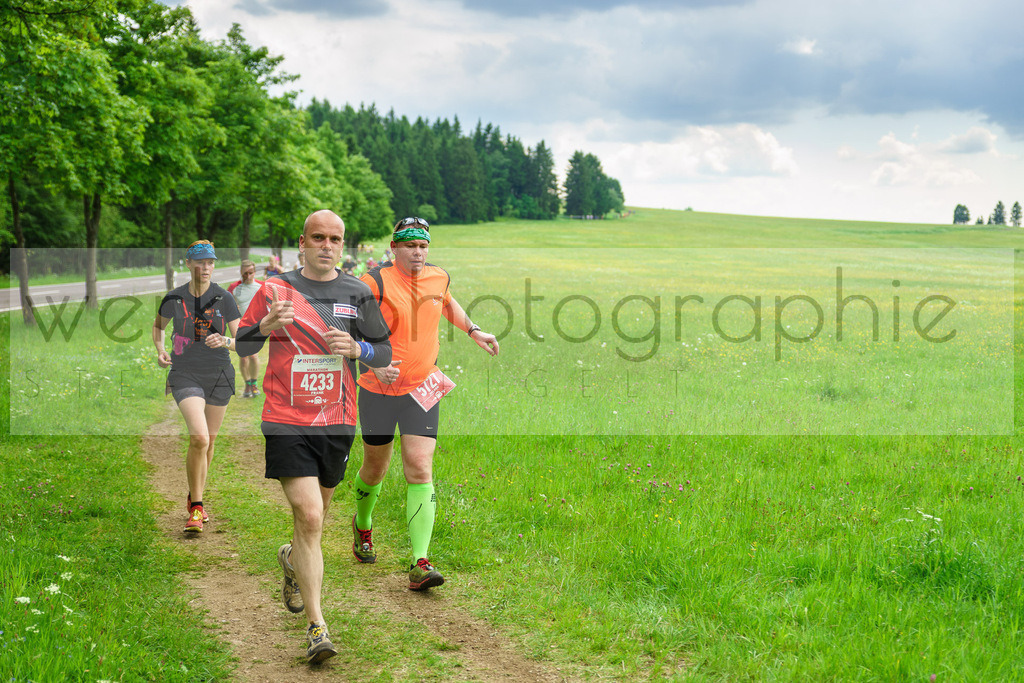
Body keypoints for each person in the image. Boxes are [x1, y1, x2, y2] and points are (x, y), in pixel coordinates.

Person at [235, 210, 392, 664]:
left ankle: (290, 558)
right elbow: (242, 345)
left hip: (337, 420)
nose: (327, 245)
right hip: (286, 418)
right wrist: (264, 327)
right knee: (308, 516)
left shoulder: (357, 292)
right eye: (318, 237)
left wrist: (358, 348)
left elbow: (382, 350)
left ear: (343, 245)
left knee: (316, 520)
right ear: (302, 242)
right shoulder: (274, 289)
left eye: (335, 238)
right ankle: (317, 626)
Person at [351, 216, 499, 591]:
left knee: (419, 466)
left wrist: (474, 330)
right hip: (377, 388)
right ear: (395, 247)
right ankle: (363, 525)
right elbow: (351, 332)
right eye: (410, 246)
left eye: (423, 246)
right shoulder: (374, 281)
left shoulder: (439, 277)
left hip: (422, 387)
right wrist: (372, 361)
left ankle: (420, 561)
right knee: (375, 468)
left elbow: (447, 302)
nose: (418, 252)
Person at [152, 240, 241, 534]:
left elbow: (243, 340)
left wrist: (225, 340)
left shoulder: (224, 298)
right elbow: (158, 327)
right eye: (200, 262)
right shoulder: (174, 298)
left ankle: (195, 494)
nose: (205, 268)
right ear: (188, 264)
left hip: (219, 373)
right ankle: (197, 508)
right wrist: (160, 349)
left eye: (210, 262)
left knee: (210, 442)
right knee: (200, 438)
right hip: (185, 372)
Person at [228, 260, 264, 398]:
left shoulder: (261, 286)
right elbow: (227, 305)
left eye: (250, 273)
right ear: (241, 273)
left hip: (256, 326)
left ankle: (254, 383)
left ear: (254, 273)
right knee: (243, 358)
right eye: (245, 273)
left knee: (253, 356)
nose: (248, 276)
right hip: (241, 326)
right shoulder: (234, 288)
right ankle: (247, 384)